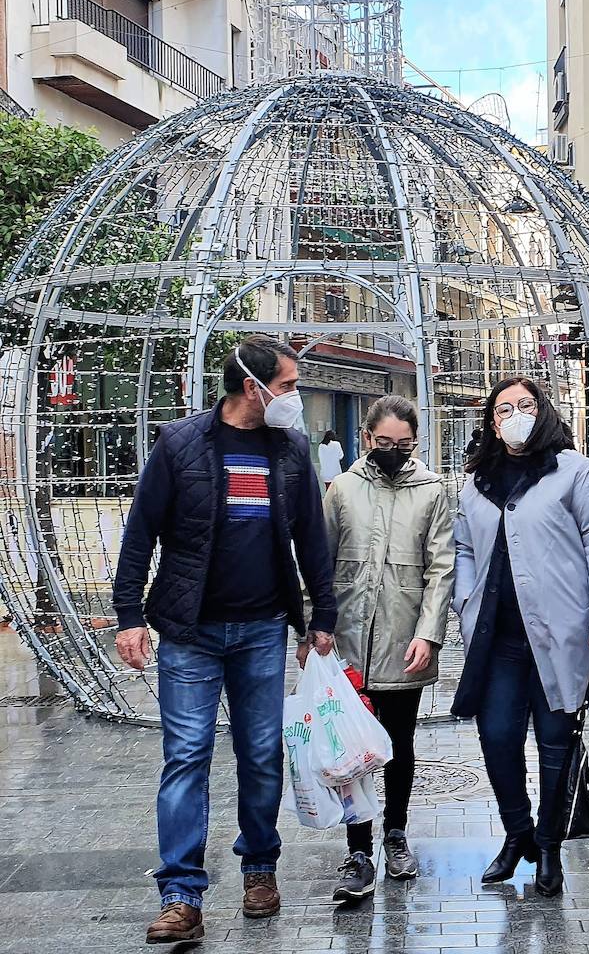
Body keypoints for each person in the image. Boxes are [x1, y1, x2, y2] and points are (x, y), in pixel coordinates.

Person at [111, 335, 337, 945]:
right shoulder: (182, 445)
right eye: (288, 386)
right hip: (190, 632)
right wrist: (128, 614)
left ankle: (260, 867)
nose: (295, 397)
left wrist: (323, 617)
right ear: (252, 387)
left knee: (261, 756)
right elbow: (140, 535)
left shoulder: (290, 449)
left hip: (263, 629)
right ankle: (181, 893)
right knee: (185, 757)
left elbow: (312, 539)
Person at [450, 376, 589, 898]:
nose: (514, 415)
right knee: (497, 736)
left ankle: (549, 846)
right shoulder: (477, 479)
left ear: (542, 410)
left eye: (525, 404)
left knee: (556, 744)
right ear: (490, 421)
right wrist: (464, 603)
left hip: (560, 634)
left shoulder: (574, 471)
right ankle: (517, 832)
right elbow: (463, 547)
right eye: (503, 408)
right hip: (498, 638)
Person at [316, 396, 456, 902]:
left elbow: (441, 567)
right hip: (348, 643)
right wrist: (316, 629)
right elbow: (320, 562)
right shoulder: (343, 490)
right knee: (351, 751)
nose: (394, 451)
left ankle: (395, 835)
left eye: (404, 444)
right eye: (384, 443)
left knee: (398, 745)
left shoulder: (433, 491)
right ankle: (357, 850)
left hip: (404, 642)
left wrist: (429, 632)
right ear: (366, 439)